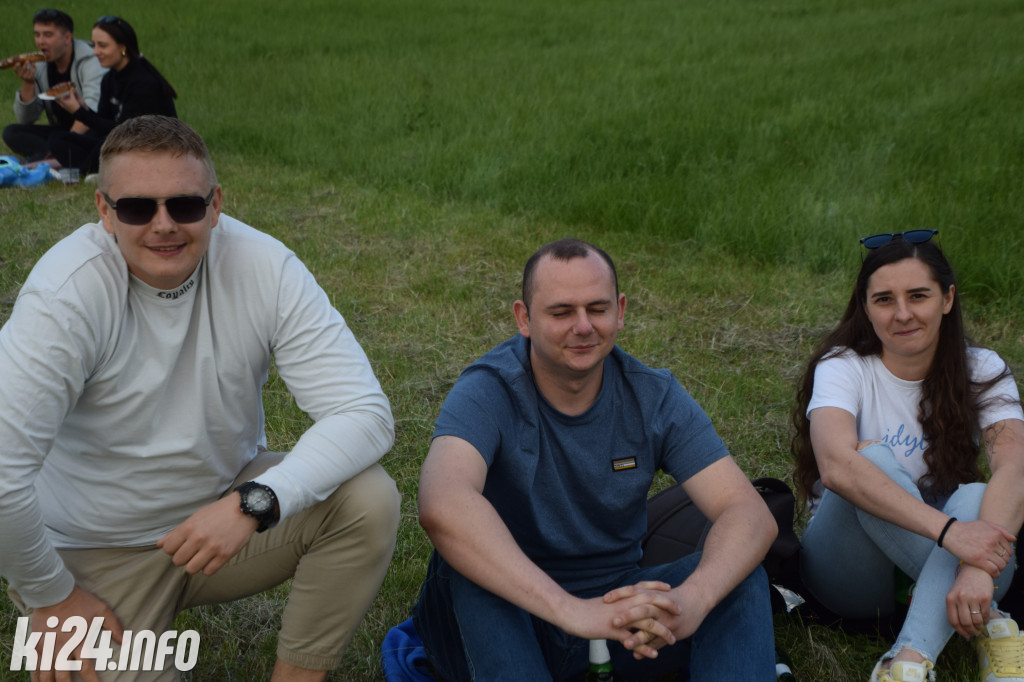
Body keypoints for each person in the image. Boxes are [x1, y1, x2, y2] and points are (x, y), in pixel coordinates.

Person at [0, 115, 400, 682]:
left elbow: (364, 412)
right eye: (137, 208)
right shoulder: (65, 293)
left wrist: (255, 500)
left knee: (367, 499)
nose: (164, 225)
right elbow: (3, 475)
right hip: (91, 552)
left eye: (185, 205)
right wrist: (50, 595)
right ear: (104, 210)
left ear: (215, 205)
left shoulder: (265, 266)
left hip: (221, 516)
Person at [412, 238, 778, 681]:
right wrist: (570, 611)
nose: (583, 327)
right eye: (561, 312)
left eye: (597, 309)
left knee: (738, 579)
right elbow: (442, 501)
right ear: (524, 319)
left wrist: (695, 598)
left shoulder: (653, 396)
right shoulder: (488, 389)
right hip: (510, 603)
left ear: (620, 311)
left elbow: (749, 513)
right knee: (469, 570)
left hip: (613, 612)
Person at [791, 231, 1024, 681]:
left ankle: (906, 664)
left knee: (979, 494)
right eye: (884, 300)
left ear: (947, 299)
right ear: (865, 308)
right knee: (867, 460)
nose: (902, 314)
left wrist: (977, 567)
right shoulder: (842, 366)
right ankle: (992, 620)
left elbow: (1015, 467)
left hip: (956, 569)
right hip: (853, 576)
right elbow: (836, 466)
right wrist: (953, 535)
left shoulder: (983, 368)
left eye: (918, 296)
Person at [49, 15, 177, 175]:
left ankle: (84, 171)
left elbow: (128, 132)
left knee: (107, 144)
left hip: (151, 148)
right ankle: (94, 167)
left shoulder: (144, 82)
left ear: (123, 47)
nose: (96, 52)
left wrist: (79, 113)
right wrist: (83, 107)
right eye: (94, 45)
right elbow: (103, 123)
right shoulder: (110, 78)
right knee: (60, 139)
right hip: (120, 140)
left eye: (102, 46)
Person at [2, 8, 105, 164]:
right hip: (62, 130)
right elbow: (26, 118)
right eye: (37, 35)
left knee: (97, 138)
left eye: (48, 35)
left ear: (67, 37)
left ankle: (52, 156)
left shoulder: (91, 61)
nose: (41, 41)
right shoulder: (40, 66)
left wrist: (66, 141)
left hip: (90, 128)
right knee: (12, 132)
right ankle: (53, 156)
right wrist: (28, 83)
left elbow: (92, 109)